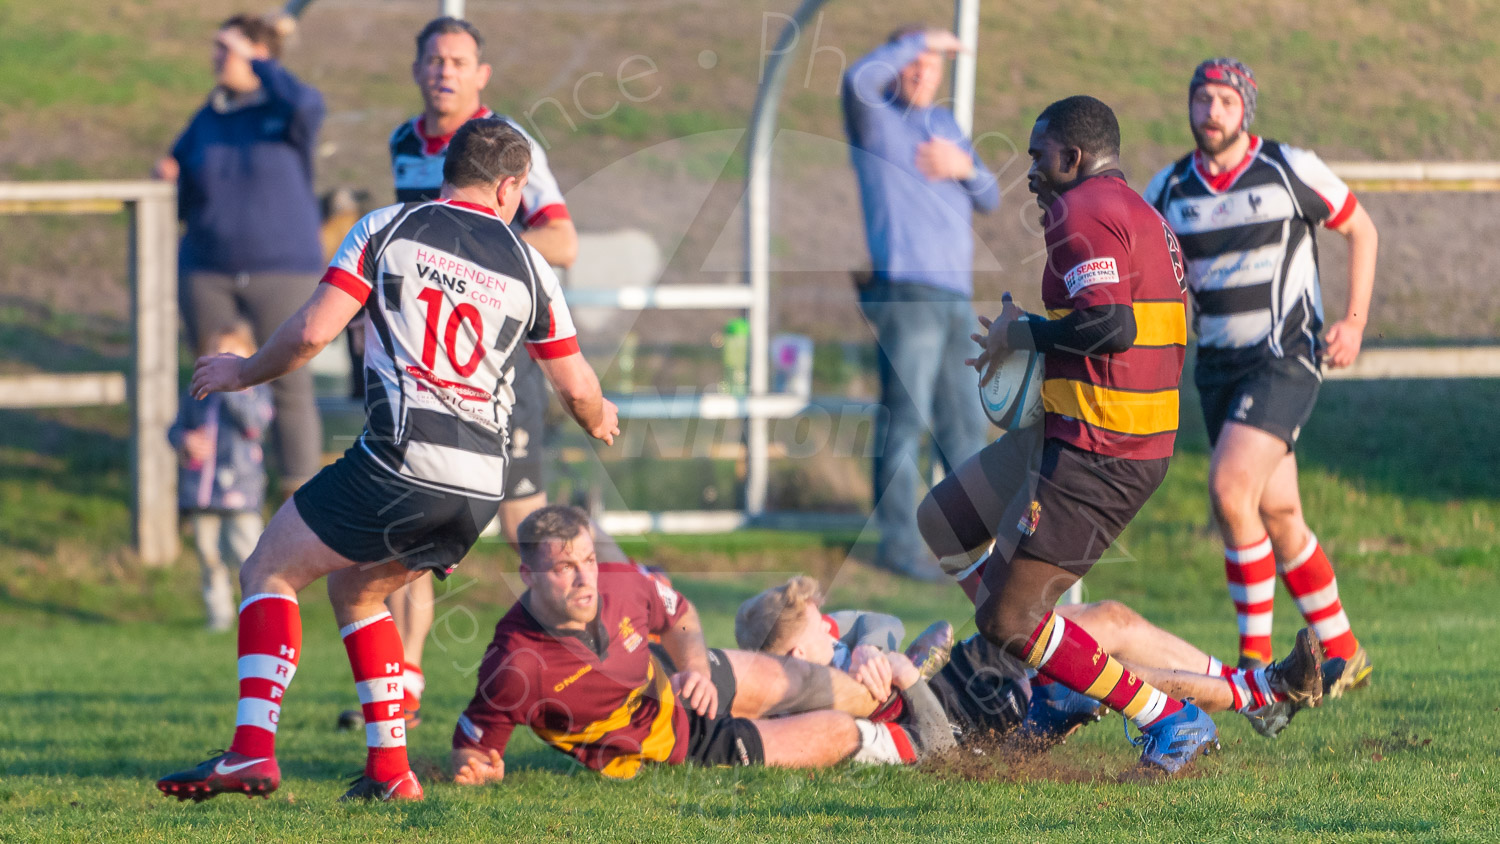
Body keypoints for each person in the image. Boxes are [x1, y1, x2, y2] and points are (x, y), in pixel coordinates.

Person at [156, 120, 619, 803]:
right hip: (477, 490)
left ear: (447, 169)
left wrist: (243, 371)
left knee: (269, 569)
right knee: (358, 589)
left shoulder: (388, 227)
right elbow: (579, 388)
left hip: (401, 462)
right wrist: (600, 417)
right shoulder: (529, 264)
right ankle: (389, 772)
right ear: (510, 186)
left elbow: (315, 330)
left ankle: (251, 752)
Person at [953, 95, 1225, 775]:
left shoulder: (1078, 210)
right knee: (947, 522)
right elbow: (1114, 327)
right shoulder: (1135, 211)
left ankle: (1167, 716)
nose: (1031, 172)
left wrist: (1027, 334)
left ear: (1072, 157)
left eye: (1038, 156)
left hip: (1101, 449)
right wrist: (1032, 345)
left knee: (1008, 624)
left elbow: (1111, 327)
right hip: (1091, 431)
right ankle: (1058, 681)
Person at [1144, 59, 1377, 693]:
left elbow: (1361, 227)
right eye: (1201, 99)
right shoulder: (1168, 190)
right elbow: (1140, 261)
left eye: (1224, 100)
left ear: (1245, 109)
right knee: (1279, 512)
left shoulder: (1288, 169)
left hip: (1284, 356)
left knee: (1228, 491)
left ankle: (1258, 675)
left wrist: (1352, 322)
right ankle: (1345, 651)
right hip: (1216, 368)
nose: (1211, 111)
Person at [383, 17, 583, 725]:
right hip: (418, 366)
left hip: (495, 367)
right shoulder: (406, 144)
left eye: (458, 60)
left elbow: (563, 240)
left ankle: (575, 663)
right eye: (434, 59)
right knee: (407, 521)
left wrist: (475, 245)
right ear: (416, 69)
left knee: (521, 523)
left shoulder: (507, 148)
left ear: (481, 75)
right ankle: (401, 687)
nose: (445, 71)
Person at [449, 507, 954, 785]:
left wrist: (694, 668)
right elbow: (473, 749)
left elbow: (679, 613)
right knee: (839, 732)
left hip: (688, 678)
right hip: (680, 743)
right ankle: (927, 743)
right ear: (527, 575)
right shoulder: (515, 665)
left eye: (588, 560)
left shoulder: (621, 583)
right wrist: (477, 767)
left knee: (814, 683)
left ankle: (913, 692)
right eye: (564, 568)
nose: (586, 579)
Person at [736, 576, 1325, 746]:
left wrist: (875, 649)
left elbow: (902, 628)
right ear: (789, 653)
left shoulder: (848, 645)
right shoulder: (814, 693)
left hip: (980, 663)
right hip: (993, 705)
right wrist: (889, 668)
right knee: (1117, 678)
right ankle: (1264, 695)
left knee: (1114, 617)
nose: (832, 622)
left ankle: (1255, 690)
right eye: (819, 623)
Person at [842, 26, 1000, 579]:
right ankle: (900, 547)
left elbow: (991, 196)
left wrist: (966, 167)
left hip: (955, 295)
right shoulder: (876, 120)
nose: (921, 73)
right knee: (904, 418)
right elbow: (855, 79)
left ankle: (972, 548)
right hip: (905, 291)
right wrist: (916, 41)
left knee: (964, 423)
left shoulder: (945, 125)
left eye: (931, 66)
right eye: (913, 64)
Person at [153, 13, 325, 497]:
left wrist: (260, 60)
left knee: (290, 385)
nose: (215, 58)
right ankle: (212, 498)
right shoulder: (210, 115)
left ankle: (300, 507)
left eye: (224, 48)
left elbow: (310, 103)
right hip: (208, 270)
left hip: (283, 269)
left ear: (258, 55)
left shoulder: (287, 111)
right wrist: (168, 173)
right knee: (208, 382)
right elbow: (181, 172)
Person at [168, 322, 274, 632]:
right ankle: (219, 615)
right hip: (202, 490)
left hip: (242, 492)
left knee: (248, 556)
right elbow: (174, 429)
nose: (221, 359)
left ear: (250, 357)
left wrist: (232, 389)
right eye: (216, 352)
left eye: (232, 353)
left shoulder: (257, 393)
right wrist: (184, 441)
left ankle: (259, 614)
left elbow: (254, 426)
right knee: (208, 555)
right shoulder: (196, 394)